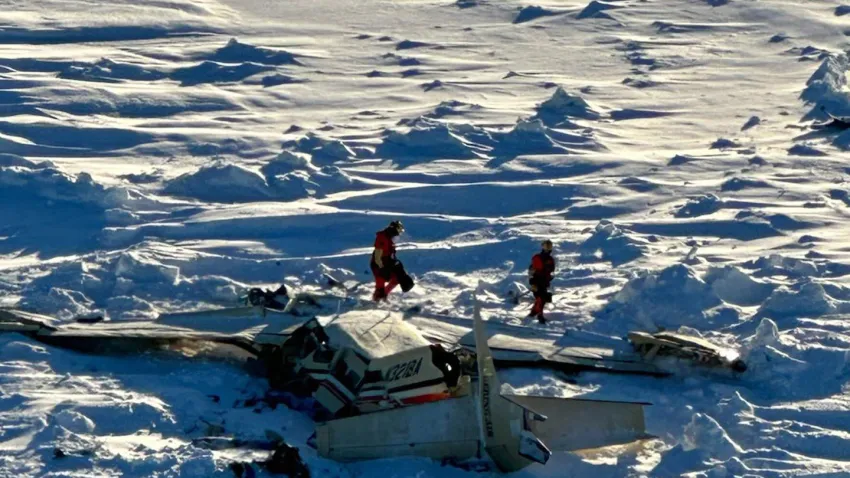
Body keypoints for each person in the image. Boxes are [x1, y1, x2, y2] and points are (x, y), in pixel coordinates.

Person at [371, 220, 405, 301]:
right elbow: (377, 257)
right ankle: (376, 302)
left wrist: (396, 264)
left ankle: (384, 295)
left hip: (388, 263)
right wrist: (382, 268)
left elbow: (391, 254)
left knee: (397, 278)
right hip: (378, 265)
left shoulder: (390, 238)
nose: (399, 234)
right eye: (399, 231)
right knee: (380, 287)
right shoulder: (382, 237)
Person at [528, 239, 556, 323]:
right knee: (541, 298)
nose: (548, 249)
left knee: (541, 298)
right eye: (546, 246)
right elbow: (531, 270)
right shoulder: (537, 257)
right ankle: (540, 315)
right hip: (536, 281)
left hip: (545, 282)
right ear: (543, 247)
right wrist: (532, 282)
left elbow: (551, 271)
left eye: (549, 246)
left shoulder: (550, 259)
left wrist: (550, 277)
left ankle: (534, 312)